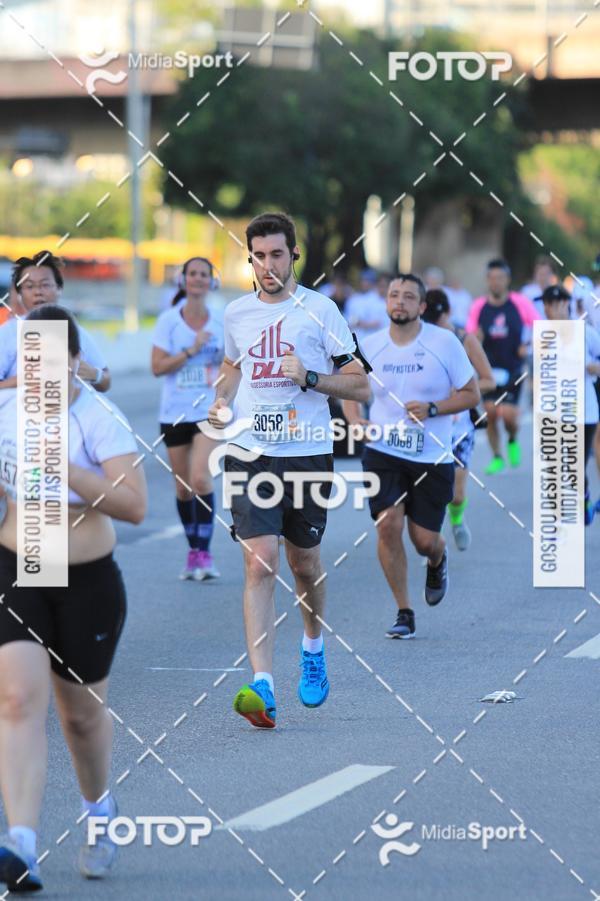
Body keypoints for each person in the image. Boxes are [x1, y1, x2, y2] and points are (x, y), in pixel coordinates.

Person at [0, 305, 147, 892]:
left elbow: (135, 505)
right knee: (16, 698)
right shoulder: (5, 413)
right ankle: (22, 844)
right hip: (19, 566)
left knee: (80, 718)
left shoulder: (98, 417)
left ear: (76, 364)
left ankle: (98, 812)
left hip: (85, 578)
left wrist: (67, 470)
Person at [207, 212, 369, 728]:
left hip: (307, 451)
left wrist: (313, 377)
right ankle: (262, 685)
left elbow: (360, 384)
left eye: (278, 254)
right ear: (249, 259)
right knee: (259, 562)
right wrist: (220, 399)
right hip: (250, 450)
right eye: (259, 256)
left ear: (294, 255)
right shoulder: (235, 313)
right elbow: (234, 367)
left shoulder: (321, 311)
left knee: (304, 563)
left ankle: (313, 647)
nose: (269, 265)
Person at [343, 274, 480, 639]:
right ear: (386, 303)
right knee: (388, 524)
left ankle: (437, 559)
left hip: (432, 455)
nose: (399, 302)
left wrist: (434, 408)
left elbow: (471, 394)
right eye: (393, 295)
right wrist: (356, 422)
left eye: (408, 297)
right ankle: (404, 611)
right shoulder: (369, 346)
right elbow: (350, 391)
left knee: (424, 540)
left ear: (422, 307)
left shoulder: (444, 343)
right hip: (383, 450)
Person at [151, 257, 225, 580]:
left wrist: (224, 365)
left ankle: (205, 554)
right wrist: (191, 351)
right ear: (183, 280)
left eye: (203, 274)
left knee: (200, 479)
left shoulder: (221, 321)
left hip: (209, 410)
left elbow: (234, 363)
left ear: (212, 281)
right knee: (182, 488)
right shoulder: (168, 321)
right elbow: (157, 367)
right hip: (174, 411)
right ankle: (193, 550)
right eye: (192, 274)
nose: (197, 279)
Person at [421, 289, 495, 550]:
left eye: (436, 318)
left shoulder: (465, 340)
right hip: (428, 423)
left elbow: (489, 380)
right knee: (430, 488)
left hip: (460, 425)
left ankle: (457, 520)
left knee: (457, 491)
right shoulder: (419, 339)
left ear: (448, 313)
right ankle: (432, 538)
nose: (431, 323)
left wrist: (464, 388)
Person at [466, 259, 540, 475]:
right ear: (487, 281)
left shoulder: (520, 303)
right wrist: (476, 338)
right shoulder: (479, 306)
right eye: (492, 278)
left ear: (507, 280)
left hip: (514, 368)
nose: (496, 282)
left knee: (507, 415)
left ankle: (513, 438)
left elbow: (538, 327)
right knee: (490, 412)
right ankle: (497, 456)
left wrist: (526, 345)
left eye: (501, 278)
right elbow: (470, 336)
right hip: (488, 369)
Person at [0, 251, 110, 393]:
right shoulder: (7, 334)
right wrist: (24, 380)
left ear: (59, 289)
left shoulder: (76, 332)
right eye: (29, 286)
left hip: (67, 413)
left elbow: (106, 381)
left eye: (45, 285)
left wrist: (96, 375)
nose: (38, 292)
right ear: (20, 294)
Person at [540, 285, 600, 525]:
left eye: (555, 304)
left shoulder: (585, 332)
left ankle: (582, 496)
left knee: (574, 467)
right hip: (553, 412)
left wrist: (594, 368)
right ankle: (557, 521)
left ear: (566, 305)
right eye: (546, 305)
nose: (550, 310)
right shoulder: (543, 335)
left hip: (583, 413)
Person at [344, 269, 388, 344]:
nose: (365, 283)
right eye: (363, 280)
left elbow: (379, 323)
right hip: (355, 342)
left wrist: (360, 323)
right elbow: (348, 321)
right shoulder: (352, 299)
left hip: (373, 342)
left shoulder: (379, 299)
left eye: (368, 281)